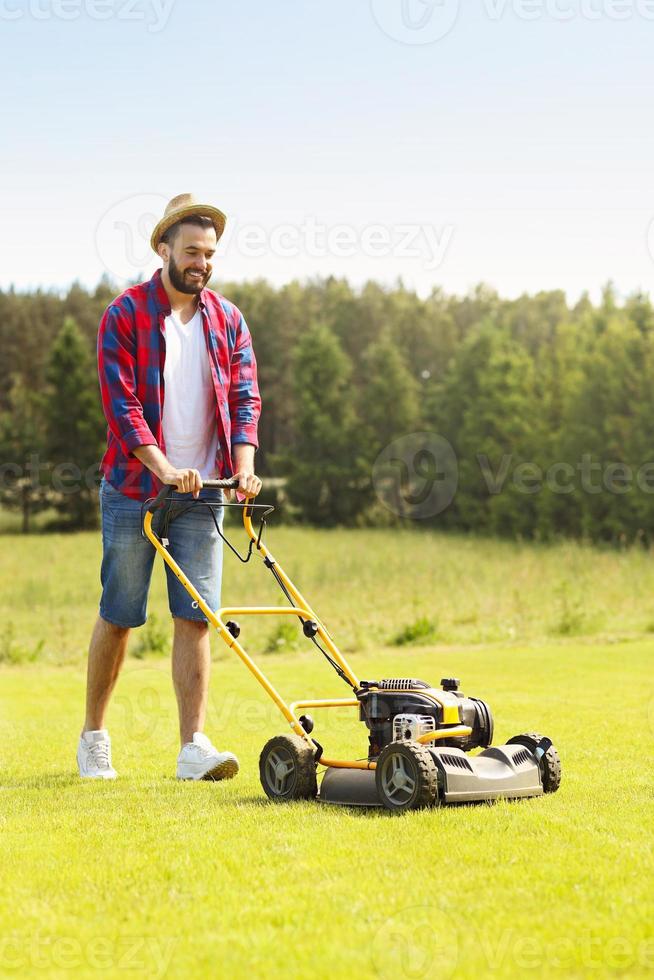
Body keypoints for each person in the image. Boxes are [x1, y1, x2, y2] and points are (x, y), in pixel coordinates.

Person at [77, 193, 262, 781]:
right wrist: (161, 466)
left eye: (209, 253)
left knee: (196, 616)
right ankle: (94, 737)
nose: (200, 262)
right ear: (163, 249)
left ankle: (193, 747)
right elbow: (121, 405)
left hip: (205, 492)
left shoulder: (227, 319)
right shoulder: (125, 313)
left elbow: (244, 398)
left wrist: (244, 463)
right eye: (190, 251)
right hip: (137, 489)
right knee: (120, 612)